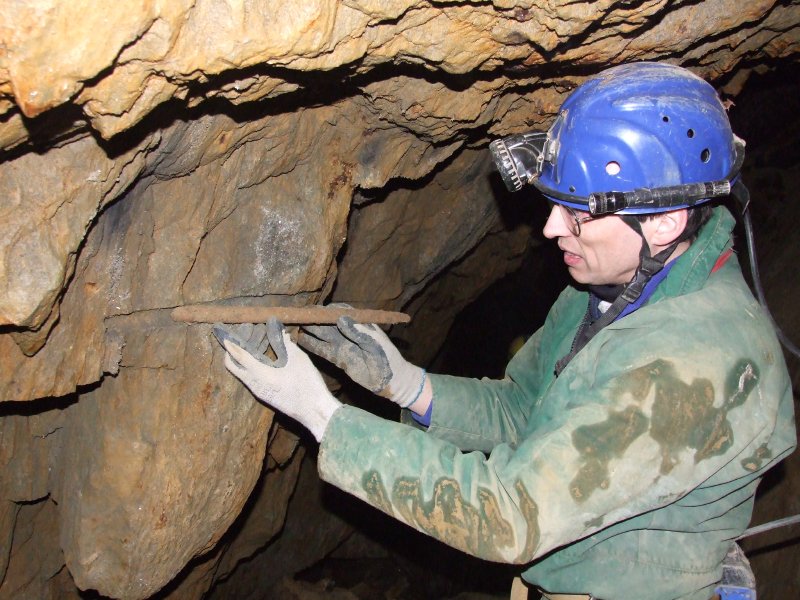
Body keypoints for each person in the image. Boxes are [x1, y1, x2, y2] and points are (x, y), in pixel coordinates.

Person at [216, 63, 796, 600]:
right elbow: (527, 408)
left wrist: (323, 417)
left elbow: (511, 514)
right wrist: (408, 386)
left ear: (666, 222)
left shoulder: (691, 365)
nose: (549, 229)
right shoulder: (604, 290)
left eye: (579, 214)